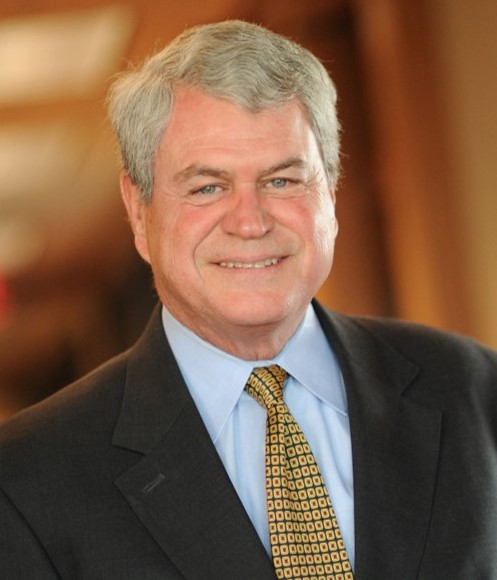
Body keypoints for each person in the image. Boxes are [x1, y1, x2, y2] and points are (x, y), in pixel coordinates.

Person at [0, 20, 496, 580]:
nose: (251, 221)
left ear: (330, 194)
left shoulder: (474, 389)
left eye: (282, 180)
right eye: (207, 187)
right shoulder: (26, 480)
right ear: (139, 212)